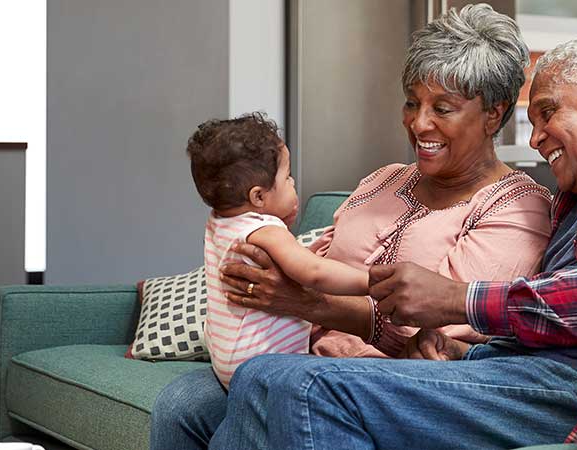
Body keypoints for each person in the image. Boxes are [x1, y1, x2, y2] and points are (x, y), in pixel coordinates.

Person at [206, 33, 577, 449]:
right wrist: (461, 345)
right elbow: (549, 316)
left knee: (291, 383)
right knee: (237, 388)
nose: (535, 139)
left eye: (547, 114)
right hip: (520, 370)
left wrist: (455, 300)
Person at [150, 4, 552, 449]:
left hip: (384, 383)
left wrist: (307, 303)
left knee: (266, 387)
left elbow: (441, 333)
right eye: (412, 102)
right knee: (182, 400)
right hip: (301, 353)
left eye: (443, 107)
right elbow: (313, 257)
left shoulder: (518, 207)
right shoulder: (384, 180)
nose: (419, 123)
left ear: (494, 115)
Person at [186, 113, 370, 388]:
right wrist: (371, 281)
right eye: (288, 177)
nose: (293, 183)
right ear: (258, 196)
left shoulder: (219, 222)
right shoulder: (266, 230)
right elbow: (314, 272)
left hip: (227, 360)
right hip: (264, 364)